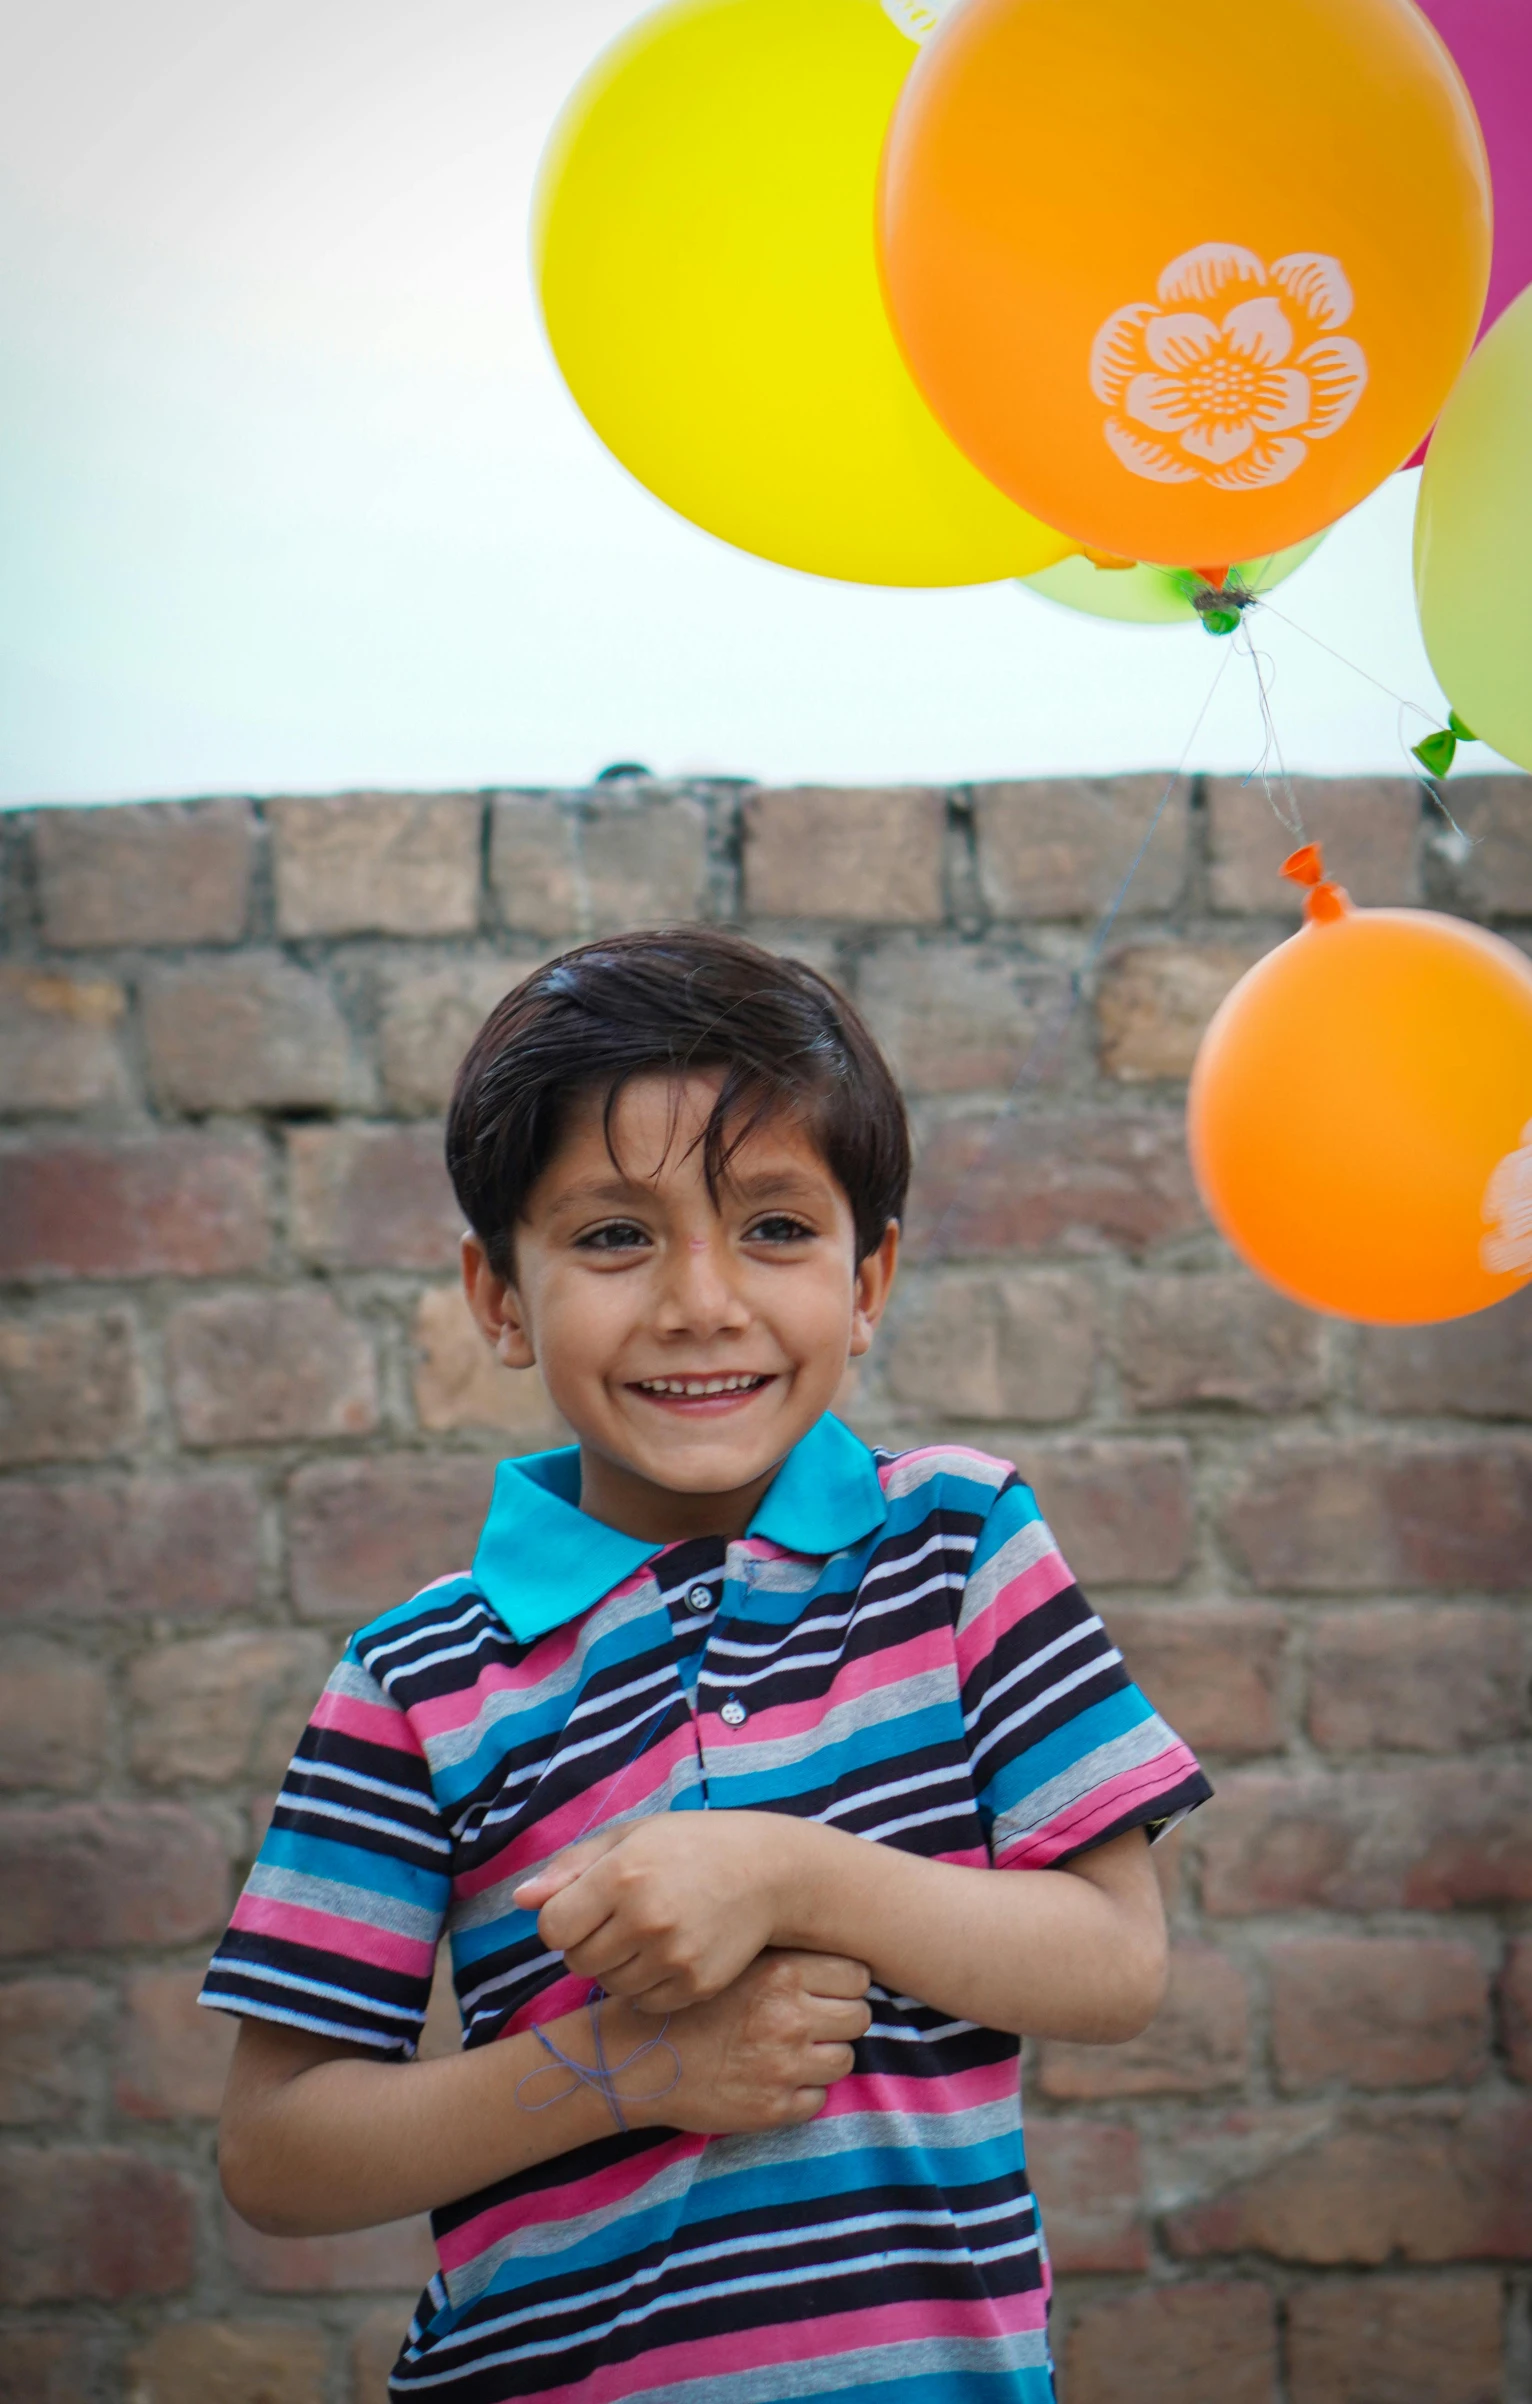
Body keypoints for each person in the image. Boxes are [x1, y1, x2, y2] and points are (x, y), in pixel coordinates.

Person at [203, 926, 1211, 2403]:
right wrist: (625, 2068)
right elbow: (276, 2151)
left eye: (776, 1230)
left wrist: (795, 1877)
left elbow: (1119, 1962)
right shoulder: (416, 1676)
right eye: (614, 1236)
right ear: (497, 1295)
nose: (700, 1300)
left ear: (869, 1281)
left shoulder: (958, 1548)